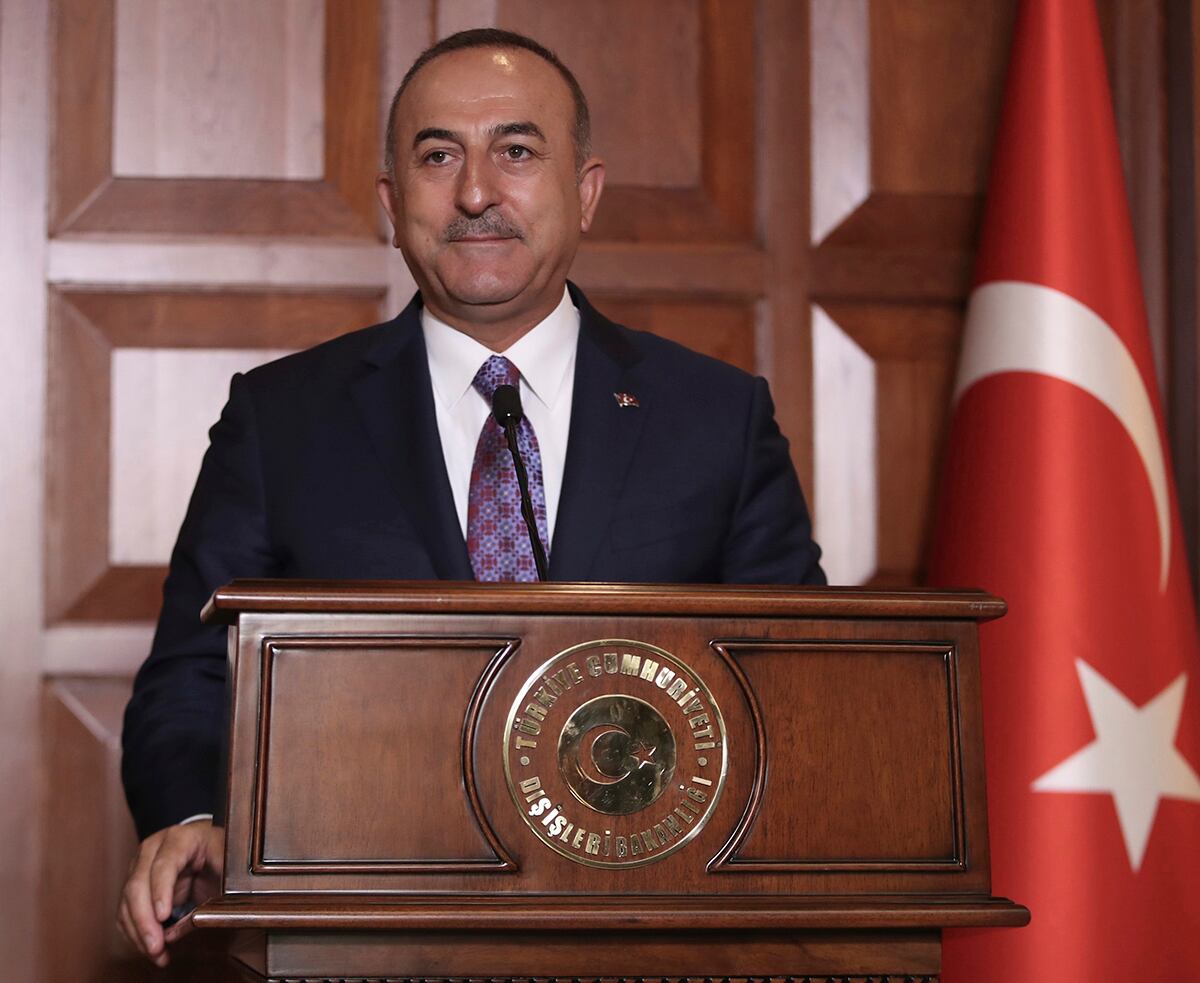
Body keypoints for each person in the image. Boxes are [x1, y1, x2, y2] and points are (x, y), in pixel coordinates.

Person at [116, 28, 825, 966]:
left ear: (586, 191)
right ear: (391, 201)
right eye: (438, 154)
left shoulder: (717, 417)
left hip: (654, 936)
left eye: (518, 152)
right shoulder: (281, 417)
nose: (477, 192)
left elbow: (801, 685)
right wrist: (193, 813)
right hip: (359, 937)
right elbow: (193, 672)